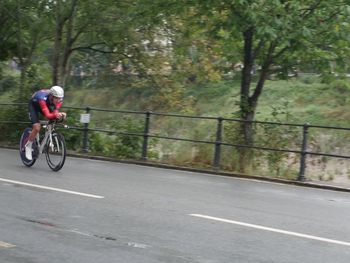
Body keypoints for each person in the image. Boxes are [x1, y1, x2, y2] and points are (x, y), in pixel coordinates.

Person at [25, 86, 67, 160]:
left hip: (46, 104)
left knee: (53, 119)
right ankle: (28, 146)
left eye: (60, 98)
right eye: (56, 98)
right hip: (34, 105)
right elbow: (48, 115)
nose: (58, 100)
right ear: (51, 96)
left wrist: (59, 115)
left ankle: (48, 137)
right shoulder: (42, 99)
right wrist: (56, 114)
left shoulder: (59, 100)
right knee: (37, 127)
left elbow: (55, 110)